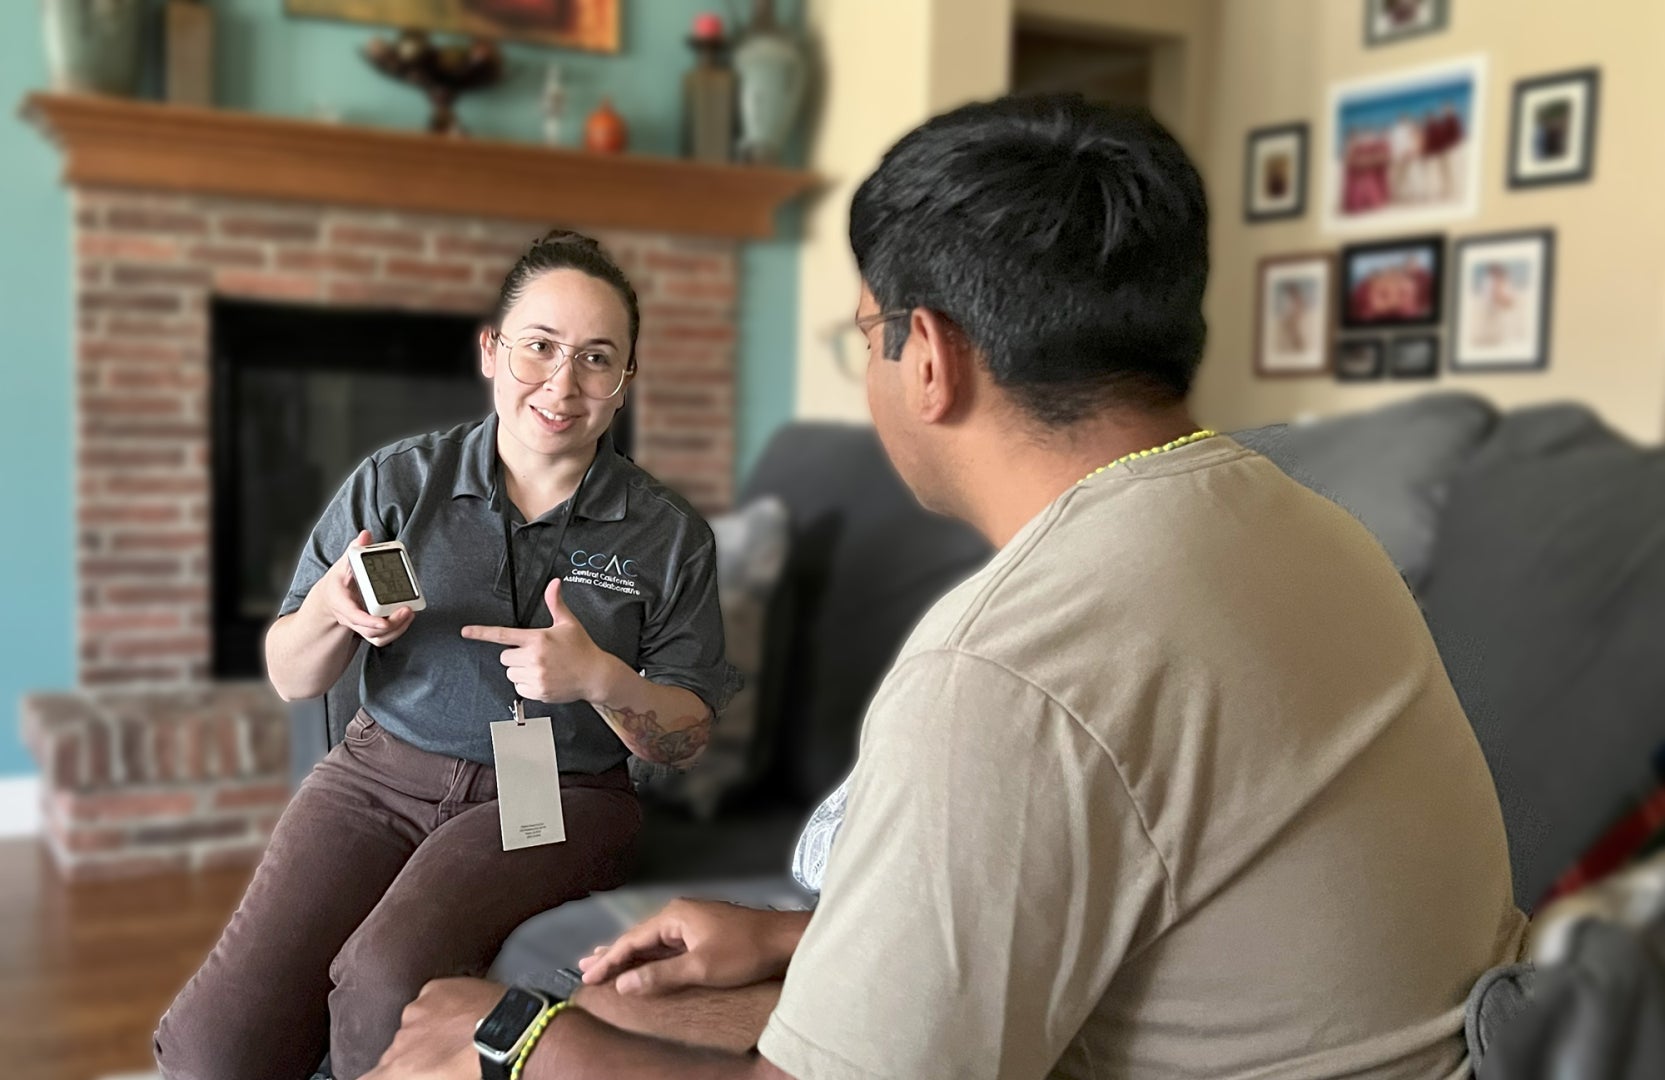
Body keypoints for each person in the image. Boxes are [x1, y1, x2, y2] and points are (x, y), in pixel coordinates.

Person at [367, 94, 1526, 1080]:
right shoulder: (1307, 526)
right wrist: (793, 934)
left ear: (928, 357)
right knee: (625, 1011)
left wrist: (510, 1036)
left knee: (501, 1034)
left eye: (864, 332)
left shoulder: (1009, 661)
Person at [153, 230, 736, 1080]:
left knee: (381, 982)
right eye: (538, 346)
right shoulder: (396, 484)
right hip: (379, 774)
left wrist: (602, 681)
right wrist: (331, 610)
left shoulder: (669, 535)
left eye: (597, 359)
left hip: (561, 795)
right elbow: (289, 674)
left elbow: (685, 738)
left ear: (624, 384)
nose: (562, 384)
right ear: (492, 351)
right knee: (214, 1049)